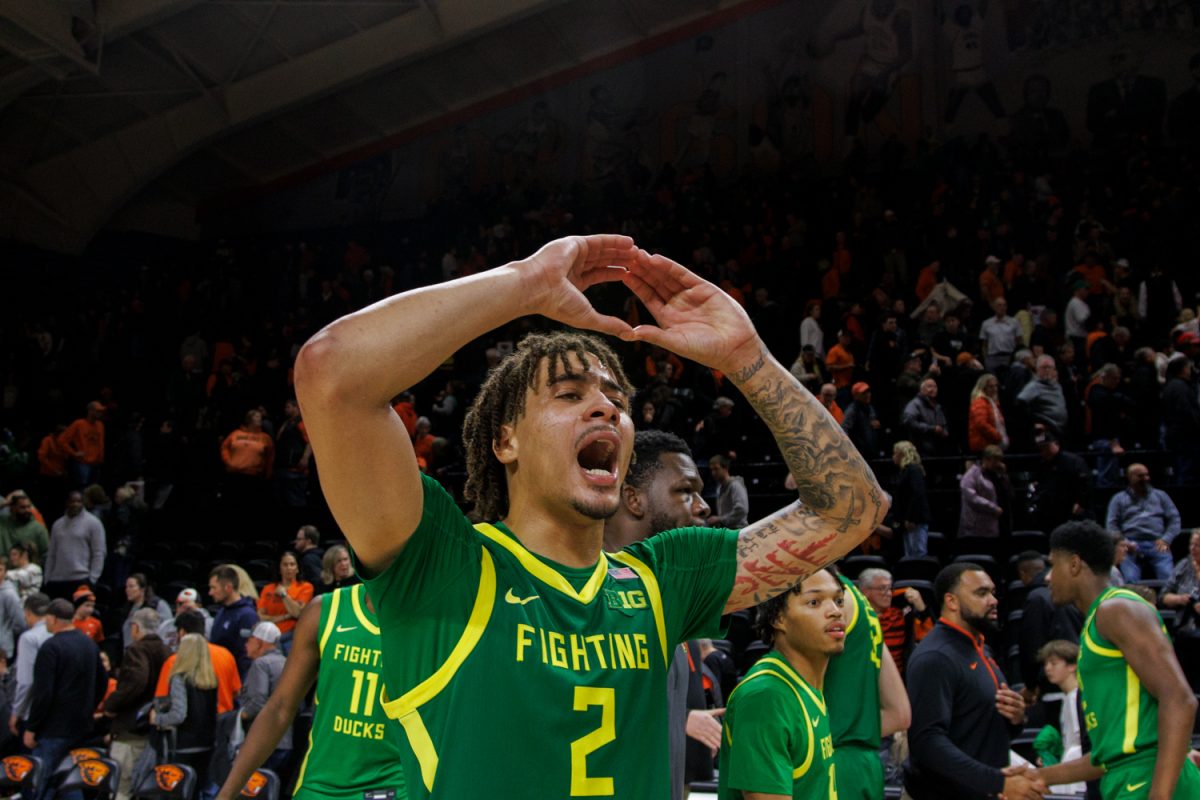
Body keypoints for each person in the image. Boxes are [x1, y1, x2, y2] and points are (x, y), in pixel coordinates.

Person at [293, 236, 886, 797]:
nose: (606, 406)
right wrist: (524, 283)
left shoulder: (662, 580)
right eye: (570, 395)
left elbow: (852, 511)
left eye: (616, 400)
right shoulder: (445, 565)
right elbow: (331, 374)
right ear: (506, 442)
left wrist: (747, 359)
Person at [1033, 521, 1200, 798]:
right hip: (1127, 776)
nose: (1048, 578)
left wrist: (1159, 795)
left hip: (1147, 778)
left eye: (1053, 565)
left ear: (1074, 565)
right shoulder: (1097, 624)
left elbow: (1180, 700)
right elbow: (1105, 758)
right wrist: (1037, 777)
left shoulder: (1116, 609)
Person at [601, 430, 719, 800]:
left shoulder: (669, 596)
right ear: (633, 499)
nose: (703, 506)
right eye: (686, 491)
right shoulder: (584, 597)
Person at [215, 584, 407, 800]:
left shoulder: (433, 621)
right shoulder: (325, 610)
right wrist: (226, 795)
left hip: (394, 787)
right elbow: (279, 708)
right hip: (318, 787)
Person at [904, 563, 1041, 800]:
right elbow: (926, 742)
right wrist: (997, 782)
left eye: (993, 592)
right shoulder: (936, 656)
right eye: (981, 593)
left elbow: (976, 726)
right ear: (952, 602)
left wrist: (1016, 719)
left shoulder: (979, 648)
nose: (993, 600)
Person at [716, 568, 845, 799]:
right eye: (814, 602)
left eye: (838, 600)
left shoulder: (804, 684)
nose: (835, 611)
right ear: (778, 618)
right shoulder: (767, 696)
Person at [824, 566, 910, 800]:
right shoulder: (864, 609)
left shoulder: (824, 594)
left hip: (830, 762)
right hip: (865, 764)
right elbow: (900, 714)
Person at [25, 598, 107, 800]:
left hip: (53, 729)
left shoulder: (51, 647)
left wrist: (32, 727)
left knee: (40, 783)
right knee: (71, 781)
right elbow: (102, 682)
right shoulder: (89, 645)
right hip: (81, 727)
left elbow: (43, 694)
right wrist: (88, 708)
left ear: (52, 618)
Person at [102, 607, 169, 800]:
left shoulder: (136, 650)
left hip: (131, 732)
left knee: (121, 787)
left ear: (135, 628)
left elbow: (137, 680)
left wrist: (112, 705)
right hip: (154, 732)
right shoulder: (167, 651)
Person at [151, 633, 219, 788]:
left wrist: (157, 719)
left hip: (183, 746)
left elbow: (179, 715)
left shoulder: (180, 679)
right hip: (207, 744)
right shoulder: (211, 679)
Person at [155, 609, 242, 715]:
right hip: (224, 723)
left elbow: (162, 701)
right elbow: (236, 691)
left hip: (192, 726)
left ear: (182, 633)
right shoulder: (226, 654)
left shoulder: (174, 662)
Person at [1033, 640, 1090, 797]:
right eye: (1046, 664)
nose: (1048, 668)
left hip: (1078, 763)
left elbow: (1079, 740)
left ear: (1072, 666)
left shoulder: (1077, 697)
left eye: (1054, 663)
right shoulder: (1067, 698)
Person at [1107, 464, 1181, 583]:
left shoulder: (1161, 496)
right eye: (1141, 476)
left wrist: (1166, 539)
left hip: (1158, 542)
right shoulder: (1118, 499)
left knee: (1168, 578)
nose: (1146, 478)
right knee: (1130, 580)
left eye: (1147, 475)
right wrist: (1124, 542)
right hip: (1130, 544)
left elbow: (1175, 520)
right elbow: (1111, 525)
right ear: (1130, 477)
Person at [857, 568, 931, 676]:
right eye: (882, 588)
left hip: (897, 680)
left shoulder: (900, 616)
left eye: (890, 588)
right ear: (865, 591)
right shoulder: (856, 618)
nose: (888, 594)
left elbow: (927, 637)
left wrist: (921, 608)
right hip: (864, 679)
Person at [240, 622, 290, 771]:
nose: (246, 644)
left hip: (262, 742)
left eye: (249, 640)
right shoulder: (287, 663)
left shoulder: (261, 664)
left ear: (260, 642)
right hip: (285, 740)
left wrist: (237, 717)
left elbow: (257, 703)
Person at [43, 490, 105, 599]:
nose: (75, 504)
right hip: (57, 580)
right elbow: (51, 553)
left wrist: (93, 578)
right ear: (67, 503)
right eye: (72, 501)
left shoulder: (94, 523)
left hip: (81, 578)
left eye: (79, 501)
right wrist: (47, 578)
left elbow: (99, 553)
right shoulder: (57, 524)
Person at [1161, 530, 1200, 690]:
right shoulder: (1184, 565)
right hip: (1184, 632)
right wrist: (1180, 599)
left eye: (1198, 545)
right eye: (1192, 544)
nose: (1193, 548)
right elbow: (1163, 596)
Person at [8, 593, 50, 740]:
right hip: (59, 711)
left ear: (27, 613)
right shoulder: (63, 634)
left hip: (31, 711)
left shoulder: (30, 638)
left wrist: (16, 711)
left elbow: (26, 681)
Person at [208, 565, 260, 678]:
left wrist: (241, 687)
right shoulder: (221, 611)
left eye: (214, 588)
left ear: (228, 588)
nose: (210, 593)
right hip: (218, 676)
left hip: (234, 681)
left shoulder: (247, 615)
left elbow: (246, 656)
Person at [256, 551, 314, 651]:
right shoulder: (268, 589)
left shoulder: (305, 587)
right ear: (279, 568)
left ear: (297, 568)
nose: (289, 568)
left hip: (291, 636)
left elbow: (297, 613)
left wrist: (284, 595)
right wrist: (286, 616)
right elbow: (260, 617)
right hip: (268, 636)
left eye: (292, 564)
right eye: (285, 565)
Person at [891, 441, 930, 558]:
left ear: (902, 454)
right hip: (908, 519)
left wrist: (911, 518)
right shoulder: (905, 471)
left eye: (895, 453)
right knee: (910, 553)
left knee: (917, 552)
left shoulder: (913, 470)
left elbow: (918, 494)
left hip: (915, 519)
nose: (893, 457)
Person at [959, 445, 1006, 539]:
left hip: (995, 525)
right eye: (995, 460)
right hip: (976, 528)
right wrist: (993, 508)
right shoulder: (972, 474)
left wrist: (1003, 475)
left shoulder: (998, 473)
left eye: (999, 460)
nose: (998, 463)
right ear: (986, 459)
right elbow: (972, 498)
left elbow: (1008, 492)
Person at [1018, 355, 1069, 436]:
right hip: (1046, 430)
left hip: (1061, 428)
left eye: (1050, 367)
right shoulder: (1033, 386)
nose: (1047, 370)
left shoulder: (1057, 385)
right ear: (1037, 369)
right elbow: (1020, 402)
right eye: (1044, 367)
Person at [59, 401, 106, 488]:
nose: (100, 413)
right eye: (98, 411)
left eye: (101, 411)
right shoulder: (79, 424)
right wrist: (74, 453)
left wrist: (101, 458)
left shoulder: (100, 425)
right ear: (90, 411)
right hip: (83, 464)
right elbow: (62, 440)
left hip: (96, 464)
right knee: (83, 489)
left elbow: (101, 443)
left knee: (93, 490)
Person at [901, 378, 950, 457]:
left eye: (935, 386)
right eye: (929, 386)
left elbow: (943, 424)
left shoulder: (937, 406)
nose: (933, 389)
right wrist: (931, 429)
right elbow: (908, 421)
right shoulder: (915, 404)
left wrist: (944, 432)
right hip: (922, 450)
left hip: (938, 450)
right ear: (921, 390)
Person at [121, 573, 171, 648]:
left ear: (142, 589)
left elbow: (167, 628)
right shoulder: (128, 608)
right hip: (130, 651)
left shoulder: (158, 604)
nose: (127, 590)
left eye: (131, 586)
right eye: (126, 587)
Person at [0, 492, 49, 566]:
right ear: (12, 508)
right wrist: (5, 503)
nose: (27, 510)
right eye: (22, 507)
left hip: (28, 573)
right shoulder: (3, 522)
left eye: (29, 507)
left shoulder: (38, 529)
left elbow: (46, 555)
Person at [706, 454, 749, 530]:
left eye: (716, 469)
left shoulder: (735, 485)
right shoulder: (719, 487)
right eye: (712, 470)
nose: (713, 472)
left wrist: (720, 519)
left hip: (739, 530)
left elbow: (741, 509)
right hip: (728, 530)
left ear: (725, 468)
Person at [967, 374, 1008, 452]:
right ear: (983, 387)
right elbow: (981, 424)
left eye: (996, 386)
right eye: (991, 386)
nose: (994, 389)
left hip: (992, 445)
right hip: (984, 446)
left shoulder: (993, 402)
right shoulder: (980, 402)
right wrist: (997, 436)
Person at [841, 381, 881, 458]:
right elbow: (844, 429)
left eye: (868, 392)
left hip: (872, 450)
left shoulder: (869, 407)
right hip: (860, 453)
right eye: (863, 393)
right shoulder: (851, 411)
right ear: (855, 396)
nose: (867, 395)